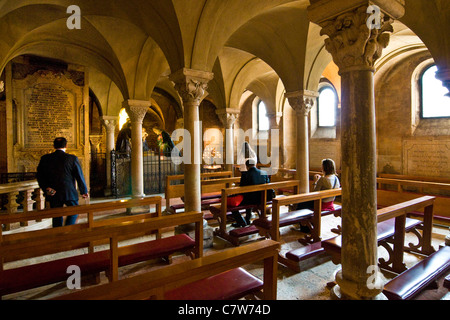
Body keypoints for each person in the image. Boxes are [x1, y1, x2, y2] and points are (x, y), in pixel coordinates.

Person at [36, 137, 89, 227]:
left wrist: (46, 188)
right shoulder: (72, 159)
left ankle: (58, 234)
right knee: (74, 211)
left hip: (53, 192)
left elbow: (39, 176)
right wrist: (83, 191)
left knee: (57, 216)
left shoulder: (45, 158)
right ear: (66, 146)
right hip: (69, 192)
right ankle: (67, 229)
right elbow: (79, 176)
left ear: (53, 146)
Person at [231, 159, 270, 228]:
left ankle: (242, 222)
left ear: (246, 166)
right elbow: (268, 185)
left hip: (250, 199)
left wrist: (233, 195)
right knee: (249, 196)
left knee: (232, 206)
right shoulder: (264, 173)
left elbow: (241, 189)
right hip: (262, 198)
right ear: (255, 165)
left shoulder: (245, 174)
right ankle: (247, 220)